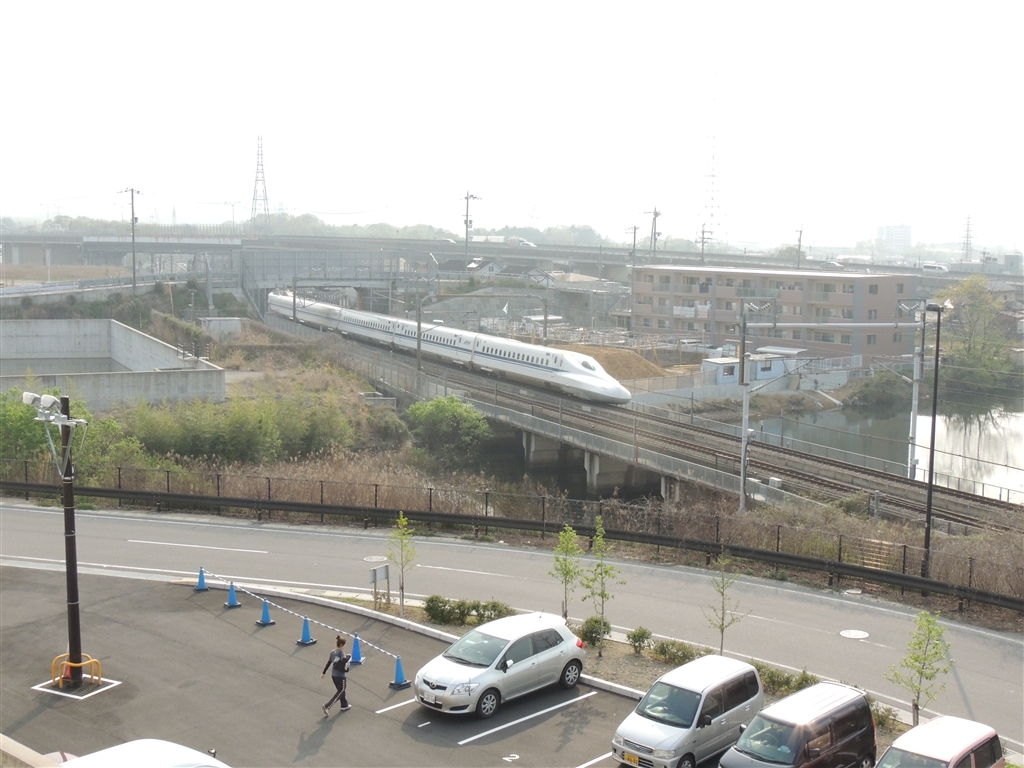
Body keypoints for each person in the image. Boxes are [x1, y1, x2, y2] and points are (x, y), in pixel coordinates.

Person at [320, 635, 351, 716]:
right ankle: (327, 706)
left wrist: (324, 672)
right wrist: (349, 656)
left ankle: (344, 705)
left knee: (340, 690)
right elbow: (344, 660)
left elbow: (329, 662)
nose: (345, 646)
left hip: (334, 675)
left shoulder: (333, 652)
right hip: (340, 675)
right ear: (341, 645)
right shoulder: (341, 652)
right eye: (344, 645)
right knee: (341, 690)